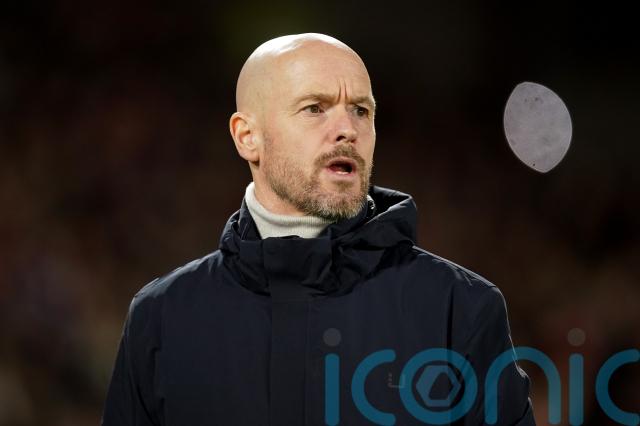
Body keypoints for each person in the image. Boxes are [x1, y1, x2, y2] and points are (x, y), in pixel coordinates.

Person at [102, 33, 536, 425]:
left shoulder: (460, 308)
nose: (347, 130)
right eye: (315, 108)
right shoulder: (161, 317)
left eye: (361, 111)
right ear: (247, 136)